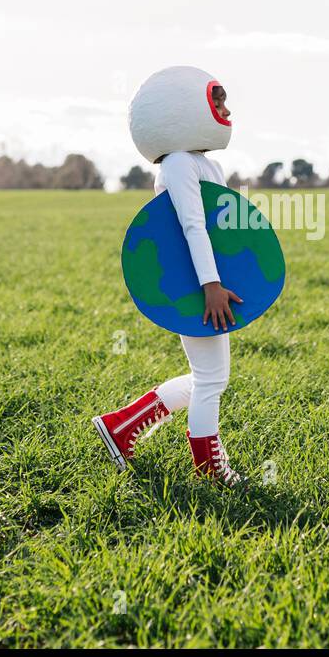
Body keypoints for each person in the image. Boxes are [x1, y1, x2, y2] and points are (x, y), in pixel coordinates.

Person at [92, 66, 245, 486]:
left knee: (210, 377)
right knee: (212, 380)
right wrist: (210, 288)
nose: (226, 110)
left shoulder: (199, 163)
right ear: (185, 108)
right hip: (195, 287)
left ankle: (121, 427)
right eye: (218, 100)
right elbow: (192, 227)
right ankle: (211, 470)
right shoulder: (178, 165)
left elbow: (220, 228)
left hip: (210, 284)